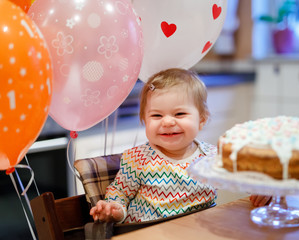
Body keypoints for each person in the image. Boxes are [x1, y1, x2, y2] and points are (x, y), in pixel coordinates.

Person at [89, 68, 270, 223]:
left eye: (180, 113)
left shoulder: (212, 157)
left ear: (202, 119)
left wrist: (263, 189)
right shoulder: (138, 159)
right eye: (157, 116)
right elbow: (120, 192)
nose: (167, 122)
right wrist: (115, 210)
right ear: (144, 120)